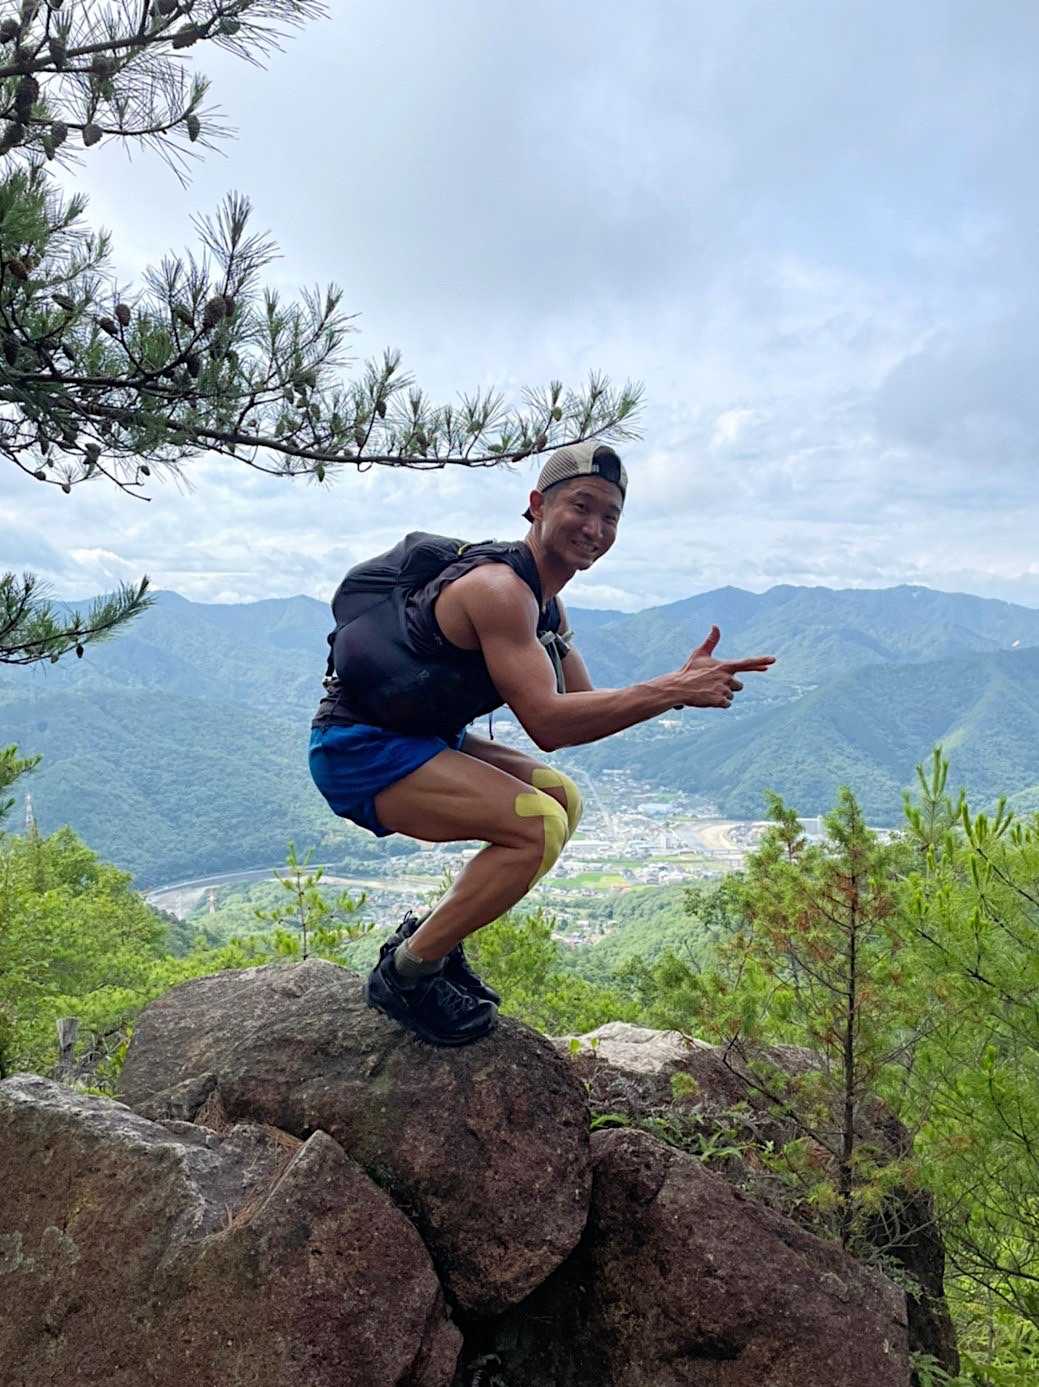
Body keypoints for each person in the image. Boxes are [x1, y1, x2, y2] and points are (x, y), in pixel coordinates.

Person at [309, 440, 775, 1045]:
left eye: (610, 516)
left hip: (420, 735)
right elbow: (548, 724)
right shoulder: (499, 591)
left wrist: (674, 687)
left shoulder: (546, 605)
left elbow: (579, 708)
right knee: (536, 826)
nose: (595, 528)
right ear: (537, 505)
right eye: (581, 506)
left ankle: (432, 941)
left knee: (561, 799)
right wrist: (670, 689)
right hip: (359, 748)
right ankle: (405, 976)